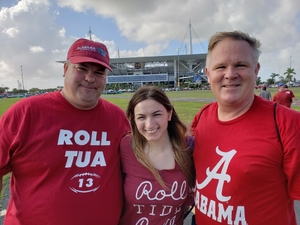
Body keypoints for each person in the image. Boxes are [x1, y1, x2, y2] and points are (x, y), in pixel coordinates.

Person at [0, 38, 131, 225]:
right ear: (65, 70)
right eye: (82, 68)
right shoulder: (25, 113)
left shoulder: (117, 117)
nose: (90, 78)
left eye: (99, 72)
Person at [190, 31, 300, 225]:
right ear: (208, 74)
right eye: (220, 66)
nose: (230, 74)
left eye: (240, 65)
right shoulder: (202, 116)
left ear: (256, 70)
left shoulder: (289, 124)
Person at [119, 86, 195, 224]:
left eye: (156, 114)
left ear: (169, 113)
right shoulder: (125, 147)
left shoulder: (188, 148)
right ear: (133, 121)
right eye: (141, 117)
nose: (149, 124)